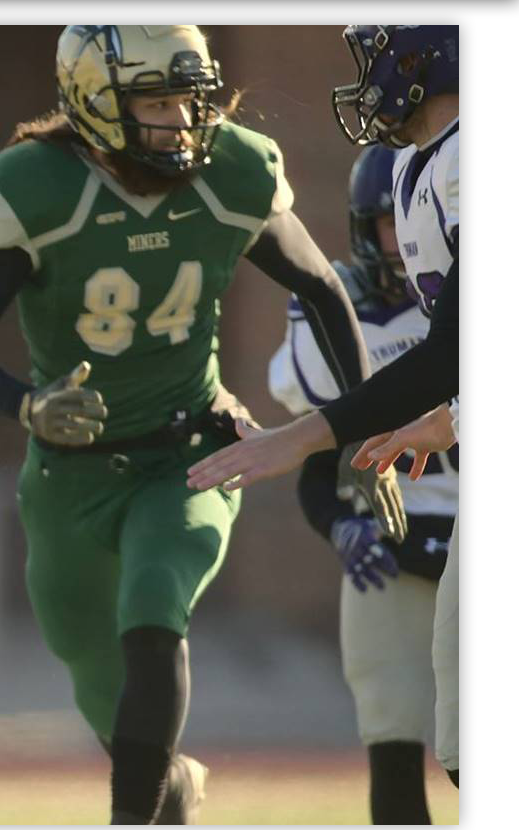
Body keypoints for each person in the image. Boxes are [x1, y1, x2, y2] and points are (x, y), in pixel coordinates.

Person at [0, 26, 388, 824]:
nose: (181, 120)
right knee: (90, 666)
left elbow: (324, 290)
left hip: (191, 451)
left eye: (190, 98)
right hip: (68, 474)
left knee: (154, 606)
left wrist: (360, 431)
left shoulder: (230, 172)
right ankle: (167, 786)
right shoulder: (36, 188)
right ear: (94, 102)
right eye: (157, 101)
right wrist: (28, 406)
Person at [188, 24, 461, 790]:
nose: (371, 71)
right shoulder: (422, 166)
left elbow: (451, 352)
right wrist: (443, 425)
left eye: (387, 50)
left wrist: (302, 437)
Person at [267, 143, 455, 824]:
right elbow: (320, 465)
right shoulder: (342, 316)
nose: (405, 243)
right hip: (393, 548)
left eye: (415, 222)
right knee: (391, 728)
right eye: (389, 223)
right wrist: (340, 524)